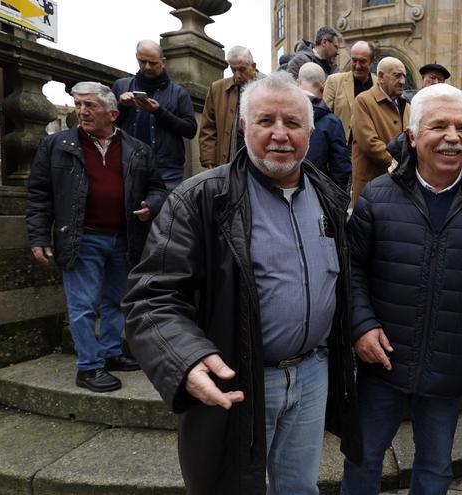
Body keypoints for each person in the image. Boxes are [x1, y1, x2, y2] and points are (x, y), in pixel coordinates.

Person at [122, 73, 361, 495]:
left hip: (312, 373)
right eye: (266, 121)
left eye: (293, 123)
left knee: (299, 487)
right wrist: (184, 357)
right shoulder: (200, 198)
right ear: (244, 127)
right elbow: (151, 297)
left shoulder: (328, 195)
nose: (280, 135)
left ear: (310, 131)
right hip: (241, 379)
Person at [340, 83, 462, 495]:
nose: (452, 137)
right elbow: (351, 268)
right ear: (412, 135)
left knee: (436, 469)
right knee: (363, 459)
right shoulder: (378, 196)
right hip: (383, 363)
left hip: (450, 365)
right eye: (438, 126)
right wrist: (360, 325)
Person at [26, 81, 165, 393]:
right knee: (84, 305)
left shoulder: (137, 149)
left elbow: (157, 187)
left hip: (124, 238)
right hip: (81, 237)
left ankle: (111, 353)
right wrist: (38, 237)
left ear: (113, 113)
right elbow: (38, 195)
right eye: (78, 105)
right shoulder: (56, 145)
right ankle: (89, 367)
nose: (81, 112)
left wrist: (151, 205)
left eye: (90, 106)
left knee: (117, 301)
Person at [112, 40, 197, 192]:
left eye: (152, 62)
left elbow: (190, 130)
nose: (147, 67)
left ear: (163, 62)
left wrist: (158, 112)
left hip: (167, 171)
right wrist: (122, 107)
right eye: (142, 61)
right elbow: (107, 124)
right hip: (128, 164)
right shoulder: (121, 86)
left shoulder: (179, 93)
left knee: (167, 215)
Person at [350, 56, 409, 207]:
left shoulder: (406, 105)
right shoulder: (363, 101)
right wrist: (399, 164)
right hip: (372, 185)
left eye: (404, 76)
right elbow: (369, 143)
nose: (402, 81)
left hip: (400, 185)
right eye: (397, 75)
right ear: (381, 76)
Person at [198, 46, 263, 169]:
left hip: (257, 162)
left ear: (253, 66)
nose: (237, 75)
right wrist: (209, 158)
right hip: (228, 162)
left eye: (242, 69)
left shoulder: (268, 87)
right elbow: (208, 128)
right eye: (233, 70)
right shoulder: (217, 89)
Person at [298, 62, 352, 189]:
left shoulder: (280, 115)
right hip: (318, 193)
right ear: (323, 88)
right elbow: (341, 168)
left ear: (297, 82)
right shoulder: (332, 123)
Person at [323, 41, 377, 143]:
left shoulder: (379, 85)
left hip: (372, 149)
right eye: (354, 60)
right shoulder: (334, 82)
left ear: (371, 62)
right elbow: (325, 118)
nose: (357, 66)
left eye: (362, 61)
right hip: (343, 148)